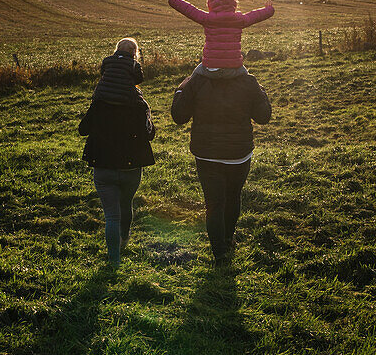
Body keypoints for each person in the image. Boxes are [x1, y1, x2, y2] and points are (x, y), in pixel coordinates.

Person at [171, 63, 271, 266]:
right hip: (238, 153)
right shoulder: (248, 81)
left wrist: (180, 90)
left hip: (207, 154)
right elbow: (263, 116)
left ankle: (219, 253)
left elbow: (179, 116)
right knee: (233, 197)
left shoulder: (196, 82)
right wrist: (261, 92)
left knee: (214, 203)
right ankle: (227, 239)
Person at [79, 44, 155, 266]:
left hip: (103, 166)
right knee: (126, 204)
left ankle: (114, 260)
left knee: (111, 216)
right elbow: (150, 134)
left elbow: (83, 129)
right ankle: (124, 240)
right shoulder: (139, 104)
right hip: (131, 168)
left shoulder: (99, 101)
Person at [167, 0, 274, 69]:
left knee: (189, 84)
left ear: (211, 2)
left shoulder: (207, 19)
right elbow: (256, 15)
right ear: (234, 3)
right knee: (253, 83)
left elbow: (189, 10)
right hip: (234, 66)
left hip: (210, 66)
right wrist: (268, 9)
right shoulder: (239, 20)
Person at [92, 37, 144, 105]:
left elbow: (102, 73)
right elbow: (139, 79)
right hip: (125, 97)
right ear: (134, 51)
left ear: (118, 48)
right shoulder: (134, 64)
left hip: (101, 95)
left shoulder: (107, 60)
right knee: (143, 107)